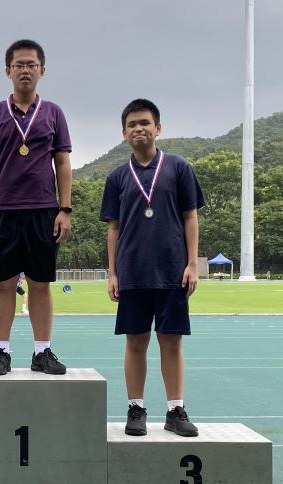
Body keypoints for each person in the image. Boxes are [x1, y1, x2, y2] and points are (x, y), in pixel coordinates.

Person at [99, 98, 204, 438]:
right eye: (132, 124)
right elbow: (113, 227)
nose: (138, 128)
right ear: (123, 132)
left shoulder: (178, 167)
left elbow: (191, 216)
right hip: (132, 272)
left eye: (145, 122)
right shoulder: (117, 177)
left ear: (158, 128)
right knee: (135, 343)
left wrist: (191, 263)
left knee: (171, 342)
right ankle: (135, 408)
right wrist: (112, 272)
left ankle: (175, 410)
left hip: (172, 271)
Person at [0, 39, 72, 376]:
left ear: (42, 70)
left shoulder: (54, 113)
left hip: (44, 209)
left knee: (40, 283)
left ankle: (42, 352)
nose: (25, 70)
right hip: (2, 209)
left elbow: (63, 163)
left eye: (31, 64)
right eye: (19, 65)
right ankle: (1, 351)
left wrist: (65, 209)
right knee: (2, 283)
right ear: (8, 71)